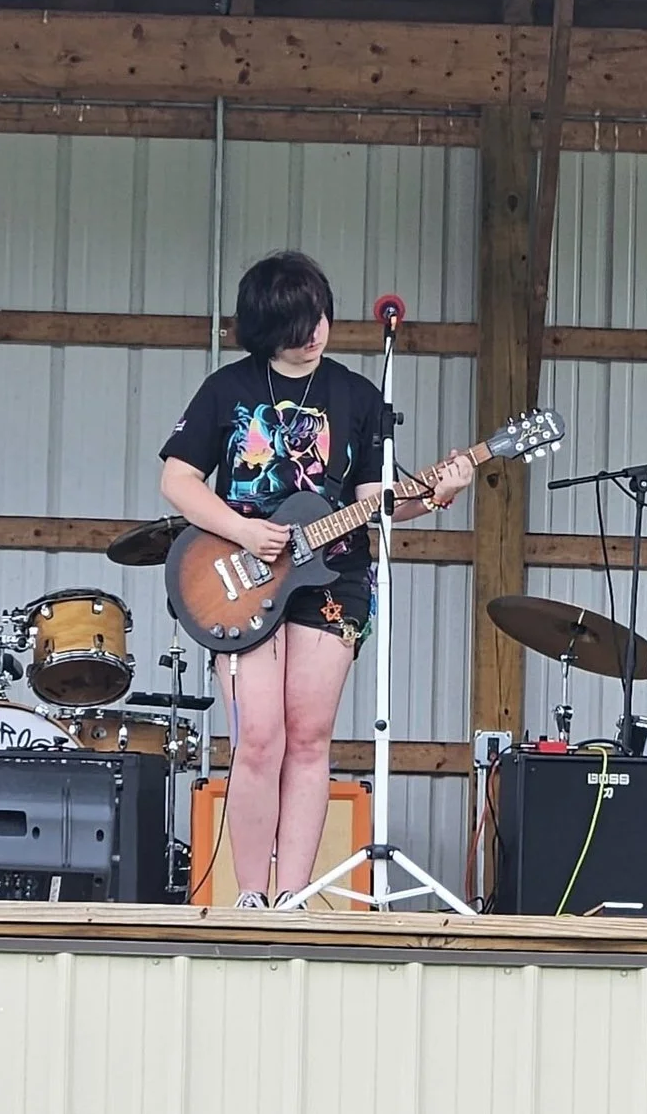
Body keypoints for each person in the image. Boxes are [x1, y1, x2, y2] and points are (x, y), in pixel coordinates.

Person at [159, 251, 473, 908]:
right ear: (266, 329)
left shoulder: (357, 396)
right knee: (259, 737)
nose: (315, 334)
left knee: (308, 737)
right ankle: (249, 892)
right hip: (241, 578)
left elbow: (375, 500)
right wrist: (244, 531)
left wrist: (435, 494)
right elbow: (177, 480)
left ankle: (293, 895)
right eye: (299, 324)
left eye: (321, 318)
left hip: (334, 578)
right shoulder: (227, 389)